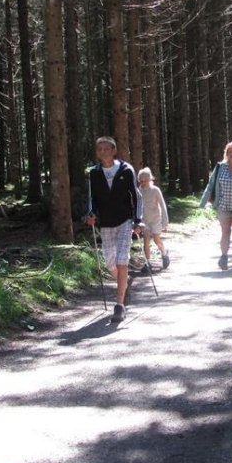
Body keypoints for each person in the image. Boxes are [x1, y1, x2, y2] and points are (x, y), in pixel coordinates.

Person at [85, 136, 143, 323]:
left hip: (125, 221)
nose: (103, 152)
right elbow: (91, 198)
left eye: (106, 148)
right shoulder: (94, 173)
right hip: (106, 222)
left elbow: (137, 196)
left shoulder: (126, 170)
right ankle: (124, 285)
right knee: (110, 263)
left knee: (121, 259)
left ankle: (119, 305)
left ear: (114, 150)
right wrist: (90, 213)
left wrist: (137, 220)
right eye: (99, 149)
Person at [199, 140, 232, 270]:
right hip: (223, 204)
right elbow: (210, 184)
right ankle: (224, 257)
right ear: (226, 153)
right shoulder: (220, 167)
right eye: (230, 152)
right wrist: (203, 202)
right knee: (225, 231)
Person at [137, 167, 171, 271]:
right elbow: (137, 206)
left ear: (149, 179)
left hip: (156, 219)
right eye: (140, 180)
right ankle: (147, 263)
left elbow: (162, 205)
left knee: (156, 240)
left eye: (144, 180)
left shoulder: (155, 190)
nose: (142, 182)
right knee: (146, 240)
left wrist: (165, 221)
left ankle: (164, 254)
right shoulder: (139, 191)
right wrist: (137, 221)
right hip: (145, 220)